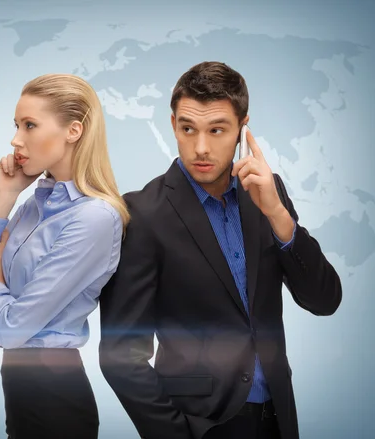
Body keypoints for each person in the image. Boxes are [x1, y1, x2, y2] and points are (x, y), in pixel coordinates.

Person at [98, 61, 342, 439]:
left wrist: (278, 213)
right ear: (173, 123)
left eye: (217, 130)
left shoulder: (267, 193)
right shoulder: (142, 214)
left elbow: (324, 300)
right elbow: (120, 356)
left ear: (244, 128)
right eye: (187, 128)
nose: (200, 148)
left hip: (278, 417)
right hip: (200, 423)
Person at [0, 73, 128, 439]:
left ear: (73, 131)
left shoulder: (94, 218)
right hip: (18, 387)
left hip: (55, 396)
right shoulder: (33, 205)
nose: (16, 139)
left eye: (30, 125)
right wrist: (4, 198)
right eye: (16, 125)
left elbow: (12, 330)